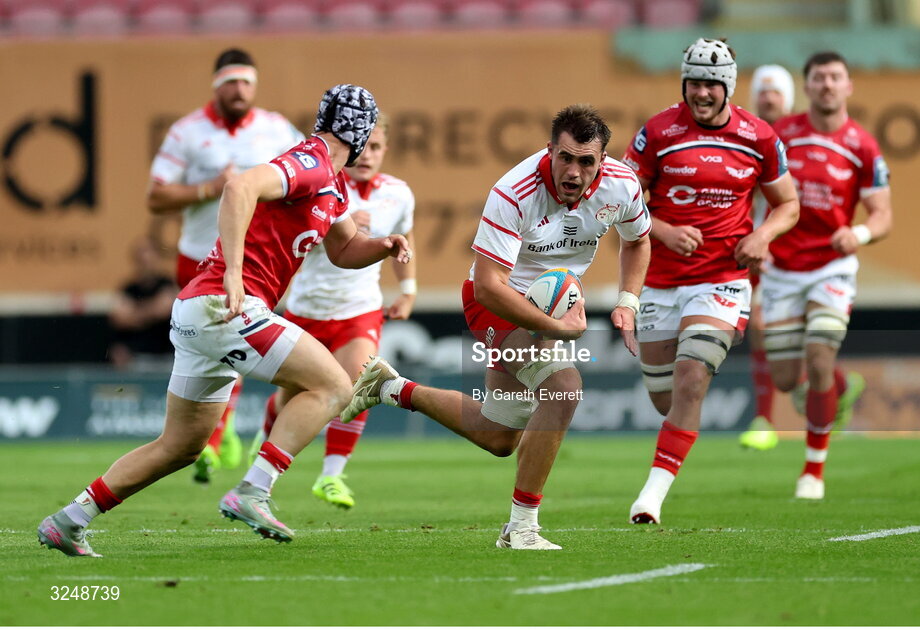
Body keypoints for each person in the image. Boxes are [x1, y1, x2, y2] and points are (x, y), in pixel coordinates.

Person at [38, 84, 411, 557]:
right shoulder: (311, 161)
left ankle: (70, 519)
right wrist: (234, 270)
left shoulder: (332, 185)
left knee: (179, 447)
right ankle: (253, 490)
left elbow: (343, 249)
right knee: (336, 387)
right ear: (358, 134)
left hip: (201, 312)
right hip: (226, 304)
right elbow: (240, 188)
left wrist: (385, 245)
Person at [338, 104, 651, 550]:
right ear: (549, 152)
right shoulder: (514, 191)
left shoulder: (621, 186)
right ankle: (521, 528)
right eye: (565, 158)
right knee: (565, 388)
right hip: (497, 303)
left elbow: (638, 242)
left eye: (587, 162)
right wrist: (554, 327)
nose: (574, 172)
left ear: (603, 163)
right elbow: (488, 286)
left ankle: (390, 388)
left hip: (548, 304)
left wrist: (627, 301)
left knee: (499, 435)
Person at [620, 38, 800, 525]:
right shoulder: (657, 132)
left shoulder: (758, 136)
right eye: (694, 83)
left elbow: (788, 203)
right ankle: (669, 451)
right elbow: (620, 200)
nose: (701, 93)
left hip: (722, 279)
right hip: (659, 282)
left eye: (711, 85)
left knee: (692, 376)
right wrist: (662, 230)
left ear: (728, 87)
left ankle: (651, 497)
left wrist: (762, 235)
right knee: (665, 396)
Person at [147, 48, 305, 483]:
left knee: (231, 345)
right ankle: (214, 433)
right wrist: (207, 189)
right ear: (217, 86)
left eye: (247, 83)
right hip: (198, 257)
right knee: (209, 348)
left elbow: (314, 176)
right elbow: (156, 196)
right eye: (231, 82)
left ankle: (215, 436)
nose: (240, 90)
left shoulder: (275, 129)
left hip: (252, 260)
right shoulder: (187, 132)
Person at [253, 114, 417, 509]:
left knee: (360, 382)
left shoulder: (398, 193)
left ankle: (331, 475)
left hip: (359, 309)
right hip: (306, 308)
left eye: (376, 147)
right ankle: (268, 432)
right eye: (363, 145)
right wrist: (340, 228)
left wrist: (408, 290)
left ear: (385, 151)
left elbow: (405, 237)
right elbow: (296, 237)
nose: (368, 154)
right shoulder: (321, 182)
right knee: (291, 397)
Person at [762, 51, 891, 500]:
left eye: (836, 78)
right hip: (781, 268)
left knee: (818, 357)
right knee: (783, 378)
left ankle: (812, 470)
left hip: (831, 268)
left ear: (848, 86)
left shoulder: (863, 145)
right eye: (819, 78)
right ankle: (840, 388)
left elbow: (882, 215)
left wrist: (858, 233)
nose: (827, 86)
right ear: (808, 86)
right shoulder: (782, 134)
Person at [737, 64, 795, 451]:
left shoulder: (796, 138)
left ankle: (836, 388)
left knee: (797, 340)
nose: (768, 98)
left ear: (787, 98)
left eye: (775, 92)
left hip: (793, 246)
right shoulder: (747, 136)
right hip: (759, 245)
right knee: (760, 327)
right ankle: (765, 419)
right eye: (762, 91)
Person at [107, 236, 177, 369]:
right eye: (142, 256)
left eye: (150, 255)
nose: (146, 261)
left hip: (166, 356)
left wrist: (136, 312)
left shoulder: (167, 284)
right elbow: (121, 319)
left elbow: (164, 310)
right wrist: (153, 309)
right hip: (137, 357)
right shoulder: (129, 289)